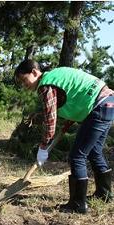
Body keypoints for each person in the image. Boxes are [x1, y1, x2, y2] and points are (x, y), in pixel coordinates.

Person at [14, 59, 113, 214]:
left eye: (24, 80)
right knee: (95, 152)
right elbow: (74, 98)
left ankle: (78, 204)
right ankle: (105, 194)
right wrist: (66, 123)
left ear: (34, 72)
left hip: (98, 106)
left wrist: (43, 147)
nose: (24, 85)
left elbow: (50, 120)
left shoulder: (46, 85)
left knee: (77, 156)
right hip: (108, 102)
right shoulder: (55, 76)